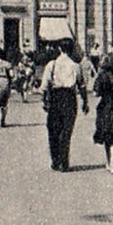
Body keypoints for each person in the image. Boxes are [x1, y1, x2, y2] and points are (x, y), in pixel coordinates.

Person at [39, 39, 89, 172]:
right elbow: (82, 85)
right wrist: (85, 102)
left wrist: (43, 100)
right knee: (66, 131)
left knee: (53, 130)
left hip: (56, 97)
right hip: (70, 98)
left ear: (60, 49)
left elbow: (45, 84)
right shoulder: (75, 65)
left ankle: (55, 160)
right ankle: (64, 162)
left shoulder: (52, 64)